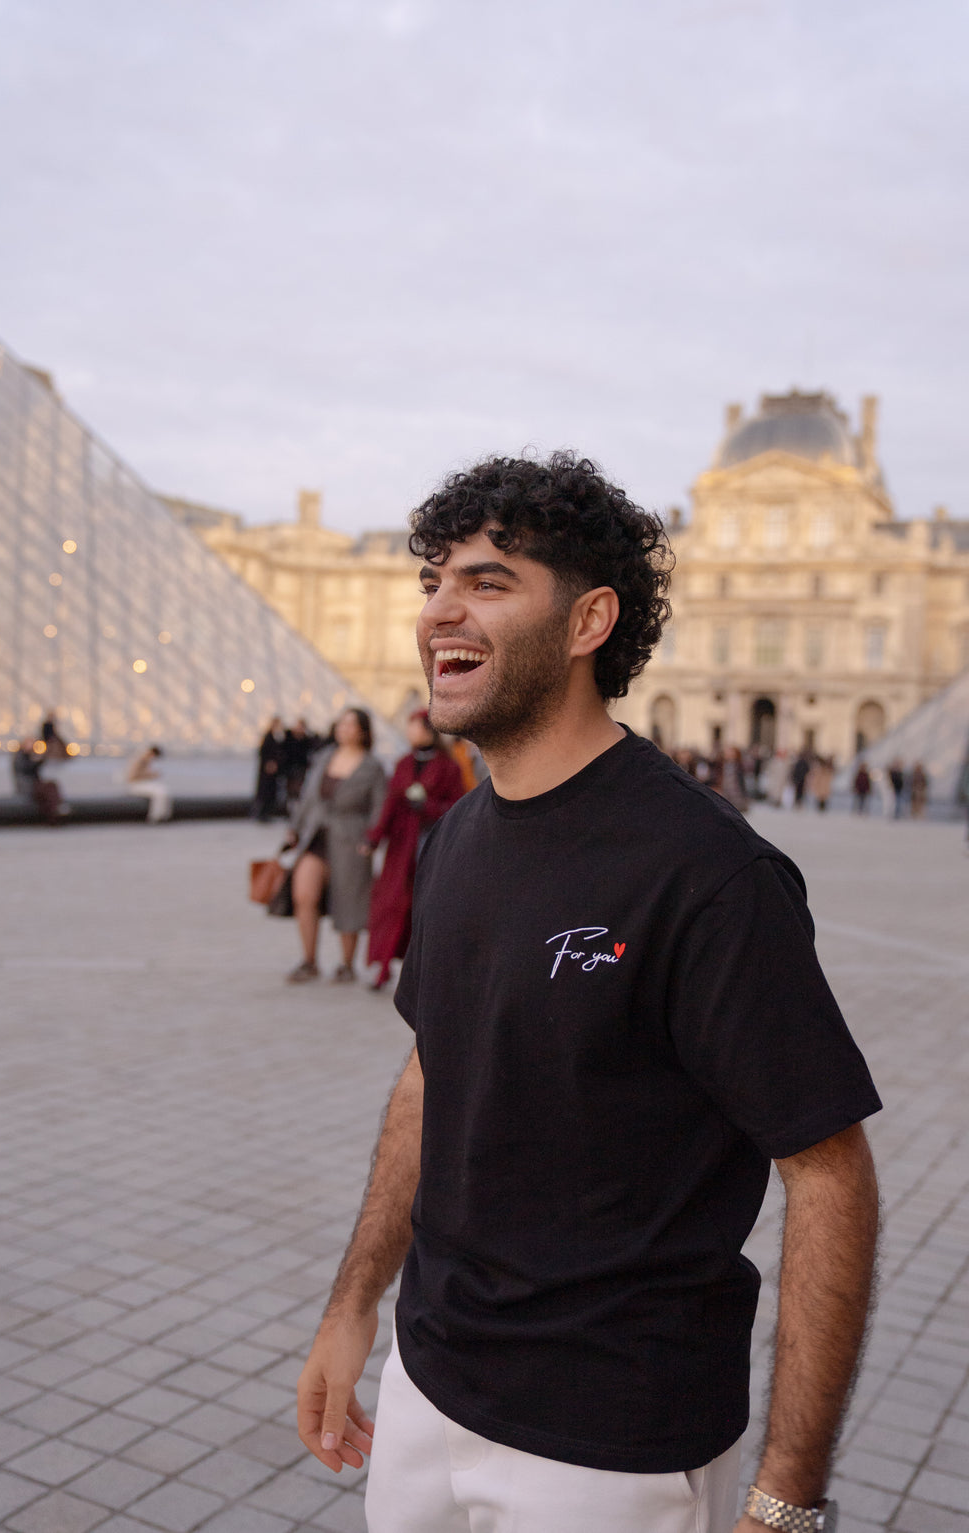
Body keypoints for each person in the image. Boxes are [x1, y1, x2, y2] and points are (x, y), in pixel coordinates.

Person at [297, 453, 881, 1533]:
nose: (438, 612)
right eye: (432, 581)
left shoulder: (706, 873)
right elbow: (433, 1069)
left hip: (611, 1443)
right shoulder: (458, 836)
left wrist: (789, 1500)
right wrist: (353, 1306)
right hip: (429, 1382)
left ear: (587, 621)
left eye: (486, 581)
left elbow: (829, 1173)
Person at [362, 710, 465, 991]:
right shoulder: (403, 764)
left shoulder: (448, 767)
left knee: (425, 907)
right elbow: (389, 805)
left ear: (428, 731)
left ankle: (423, 968)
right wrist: (374, 837)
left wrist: (427, 807)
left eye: (414, 727)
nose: (410, 732)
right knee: (392, 904)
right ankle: (382, 965)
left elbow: (457, 807)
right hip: (401, 846)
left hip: (430, 842)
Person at [283, 708, 386, 984]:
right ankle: (309, 960)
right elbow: (307, 798)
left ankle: (346, 964)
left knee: (349, 899)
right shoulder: (324, 757)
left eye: (350, 724)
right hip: (317, 835)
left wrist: (372, 839)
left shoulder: (372, 766)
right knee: (304, 895)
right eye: (341, 723)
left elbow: (379, 806)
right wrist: (294, 827)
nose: (344, 728)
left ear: (363, 731)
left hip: (351, 839)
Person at [126, 745, 173, 823]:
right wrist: (151, 775)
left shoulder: (145, 760)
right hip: (135, 785)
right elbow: (132, 777)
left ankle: (163, 815)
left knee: (163, 790)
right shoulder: (140, 760)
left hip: (139, 784)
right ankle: (155, 817)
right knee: (159, 793)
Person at [253, 715, 287, 821]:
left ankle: (265, 814)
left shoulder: (276, 737)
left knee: (270, 794)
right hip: (267, 773)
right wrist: (269, 763)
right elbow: (263, 753)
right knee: (265, 794)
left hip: (271, 774)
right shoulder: (269, 737)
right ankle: (262, 814)